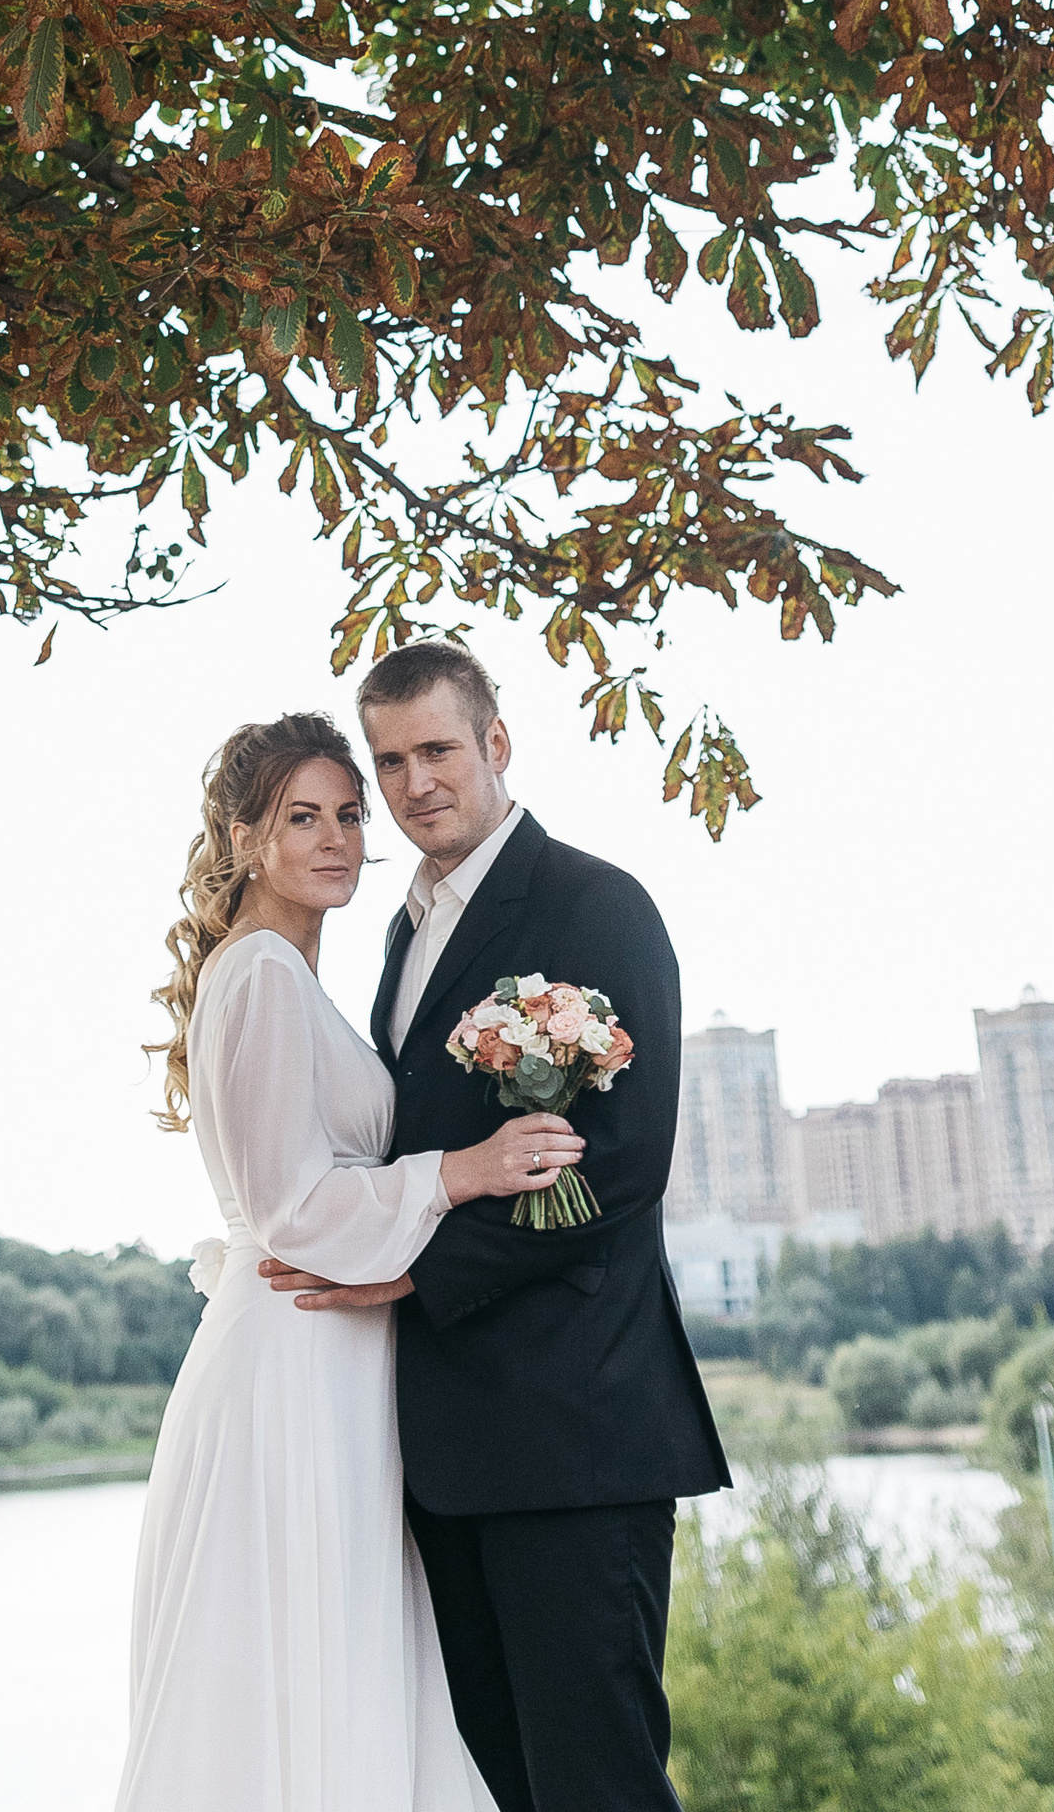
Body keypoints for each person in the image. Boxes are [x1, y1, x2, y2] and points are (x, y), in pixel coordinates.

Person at [259, 638, 730, 1812]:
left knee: (596, 1785)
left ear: (495, 745)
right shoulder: (404, 933)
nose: (415, 783)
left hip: (574, 1435)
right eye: (389, 761)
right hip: (446, 1453)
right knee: (500, 1789)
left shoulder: (593, 905)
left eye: (435, 749)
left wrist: (410, 1279)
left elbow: (619, 1172)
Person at [115, 709, 586, 1812]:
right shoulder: (267, 974)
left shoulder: (281, 974)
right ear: (244, 840)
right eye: (300, 817)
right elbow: (291, 1209)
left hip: (319, 1355)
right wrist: (459, 1171)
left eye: (345, 815)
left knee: (324, 1669)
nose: (334, 839)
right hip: (294, 1359)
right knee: (300, 1675)